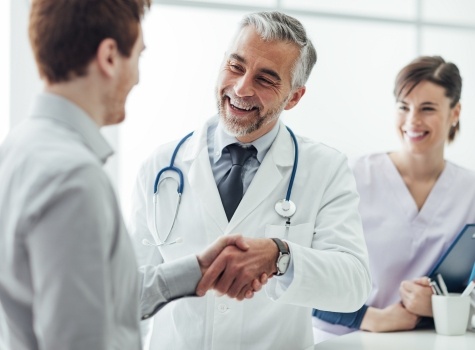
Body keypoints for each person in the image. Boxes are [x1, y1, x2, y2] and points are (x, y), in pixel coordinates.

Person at [0, 1, 264, 349]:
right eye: (138, 56)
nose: (137, 78)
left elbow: (98, 296)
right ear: (109, 56)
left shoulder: (20, 146)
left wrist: (197, 270)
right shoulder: (73, 178)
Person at [129, 11, 371, 350]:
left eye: (266, 79)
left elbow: (354, 285)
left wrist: (279, 256)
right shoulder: (159, 167)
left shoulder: (326, 169)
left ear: (295, 96)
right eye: (236, 66)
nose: (242, 88)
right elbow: (131, 292)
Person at [312, 55, 475, 342]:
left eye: (427, 108)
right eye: (404, 107)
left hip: (428, 341)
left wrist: (441, 306)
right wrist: (369, 317)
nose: (413, 120)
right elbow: (299, 276)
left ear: (455, 112)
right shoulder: (354, 176)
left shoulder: (469, 191)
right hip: (347, 339)